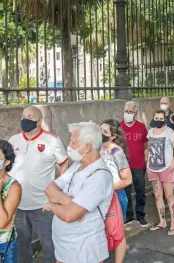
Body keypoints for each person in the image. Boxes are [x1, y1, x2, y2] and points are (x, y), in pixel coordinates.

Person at [44, 122, 114, 263]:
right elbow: (49, 188)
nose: (69, 145)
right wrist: (66, 200)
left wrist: (52, 205)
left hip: (85, 251)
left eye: (73, 142)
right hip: (66, 249)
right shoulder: (77, 166)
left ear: (87, 147)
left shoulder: (99, 175)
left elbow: (69, 215)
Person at [9, 106, 68, 263]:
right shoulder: (13, 140)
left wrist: (57, 194)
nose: (25, 120)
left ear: (39, 121)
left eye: (29, 117)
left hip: (43, 205)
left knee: (49, 245)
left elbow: (63, 164)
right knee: (22, 246)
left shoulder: (52, 140)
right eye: (23, 116)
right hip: (18, 205)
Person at [100, 120, 132, 263]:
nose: (100, 134)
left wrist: (106, 188)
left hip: (115, 196)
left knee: (117, 235)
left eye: (105, 132)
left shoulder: (116, 151)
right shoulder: (98, 148)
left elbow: (127, 180)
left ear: (112, 136)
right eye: (100, 130)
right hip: (100, 198)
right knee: (101, 232)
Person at [147, 110, 174, 236]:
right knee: (157, 196)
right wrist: (148, 162)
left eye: (161, 118)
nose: (159, 120)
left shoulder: (169, 132)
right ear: (153, 118)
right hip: (153, 168)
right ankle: (162, 221)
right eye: (156, 118)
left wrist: (172, 165)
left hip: (167, 169)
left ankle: (173, 223)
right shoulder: (150, 132)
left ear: (164, 119)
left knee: (169, 196)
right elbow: (149, 148)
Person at [120, 101, 149, 227]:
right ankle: (128, 215)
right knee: (125, 192)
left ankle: (140, 215)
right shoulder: (119, 127)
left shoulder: (141, 127)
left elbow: (145, 143)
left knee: (140, 191)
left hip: (138, 164)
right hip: (124, 165)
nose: (127, 114)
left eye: (130, 112)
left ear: (135, 114)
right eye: (126, 111)